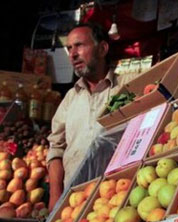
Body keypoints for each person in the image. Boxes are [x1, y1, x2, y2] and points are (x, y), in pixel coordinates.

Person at [46, 22, 134, 209]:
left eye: (79, 45)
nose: (72, 54)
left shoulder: (126, 88)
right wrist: (55, 196)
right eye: (69, 48)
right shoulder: (70, 98)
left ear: (102, 49)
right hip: (74, 201)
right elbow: (56, 148)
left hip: (117, 195)